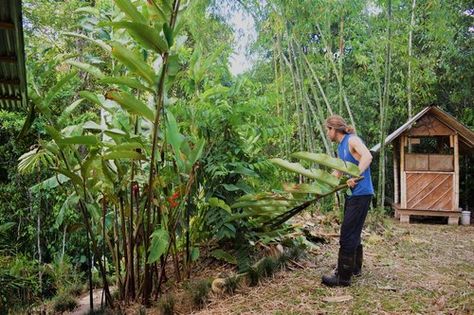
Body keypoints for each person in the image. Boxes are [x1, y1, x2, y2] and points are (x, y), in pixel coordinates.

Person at [321, 115, 374, 287]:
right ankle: (354, 268)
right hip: (354, 195)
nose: (327, 133)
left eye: (327, 129)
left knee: (347, 234)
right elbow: (338, 173)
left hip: (361, 193)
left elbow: (367, 156)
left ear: (333, 129)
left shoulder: (352, 140)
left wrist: (356, 175)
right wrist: (319, 187)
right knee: (353, 231)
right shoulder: (341, 147)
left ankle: (343, 277)